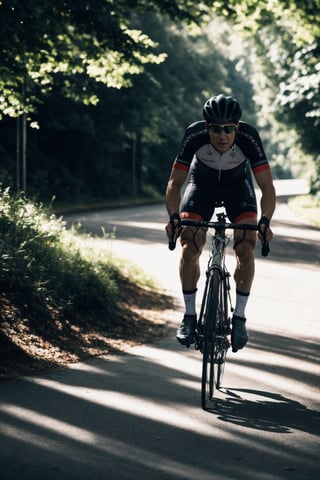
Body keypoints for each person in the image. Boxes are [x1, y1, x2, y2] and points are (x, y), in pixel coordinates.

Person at [165, 93, 276, 353]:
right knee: (189, 246)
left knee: (246, 249)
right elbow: (174, 184)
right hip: (200, 186)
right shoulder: (194, 135)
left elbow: (267, 187)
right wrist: (173, 216)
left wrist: (265, 221)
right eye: (216, 129)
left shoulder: (249, 138)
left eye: (228, 129)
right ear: (207, 128)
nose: (222, 135)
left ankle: (239, 319)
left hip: (238, 188)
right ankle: (190, 316)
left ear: (237, 127)